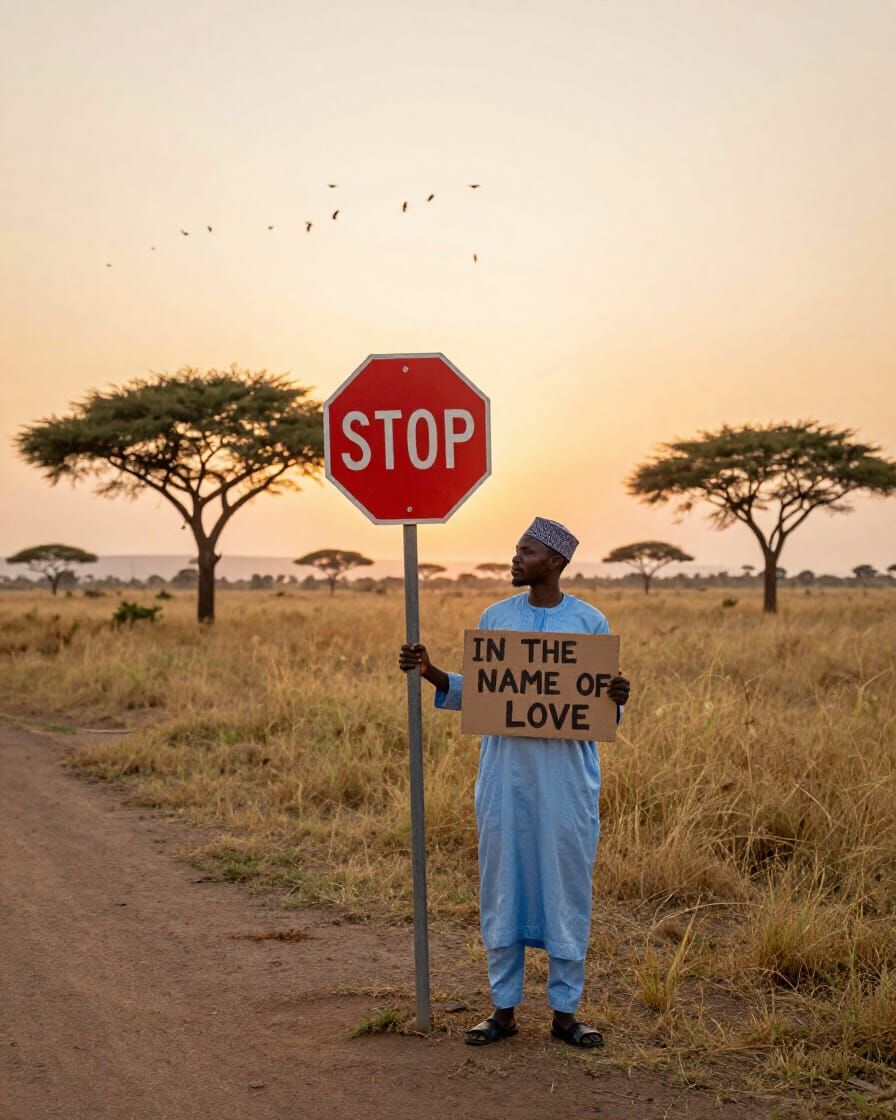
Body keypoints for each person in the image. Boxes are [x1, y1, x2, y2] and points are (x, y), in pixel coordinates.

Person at [399, 517, 630, 1049]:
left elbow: (598, 712)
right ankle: (502, 1010)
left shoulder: (589, 622)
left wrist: (616, 696)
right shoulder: (495, 617)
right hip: (505, 780)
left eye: (524, 552)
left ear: (554, 562)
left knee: (566, 888)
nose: (514, 559)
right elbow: (481, 693)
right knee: (503, 887)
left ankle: (566, 1013)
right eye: (516, 550)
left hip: (567, 786)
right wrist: (431, 672)